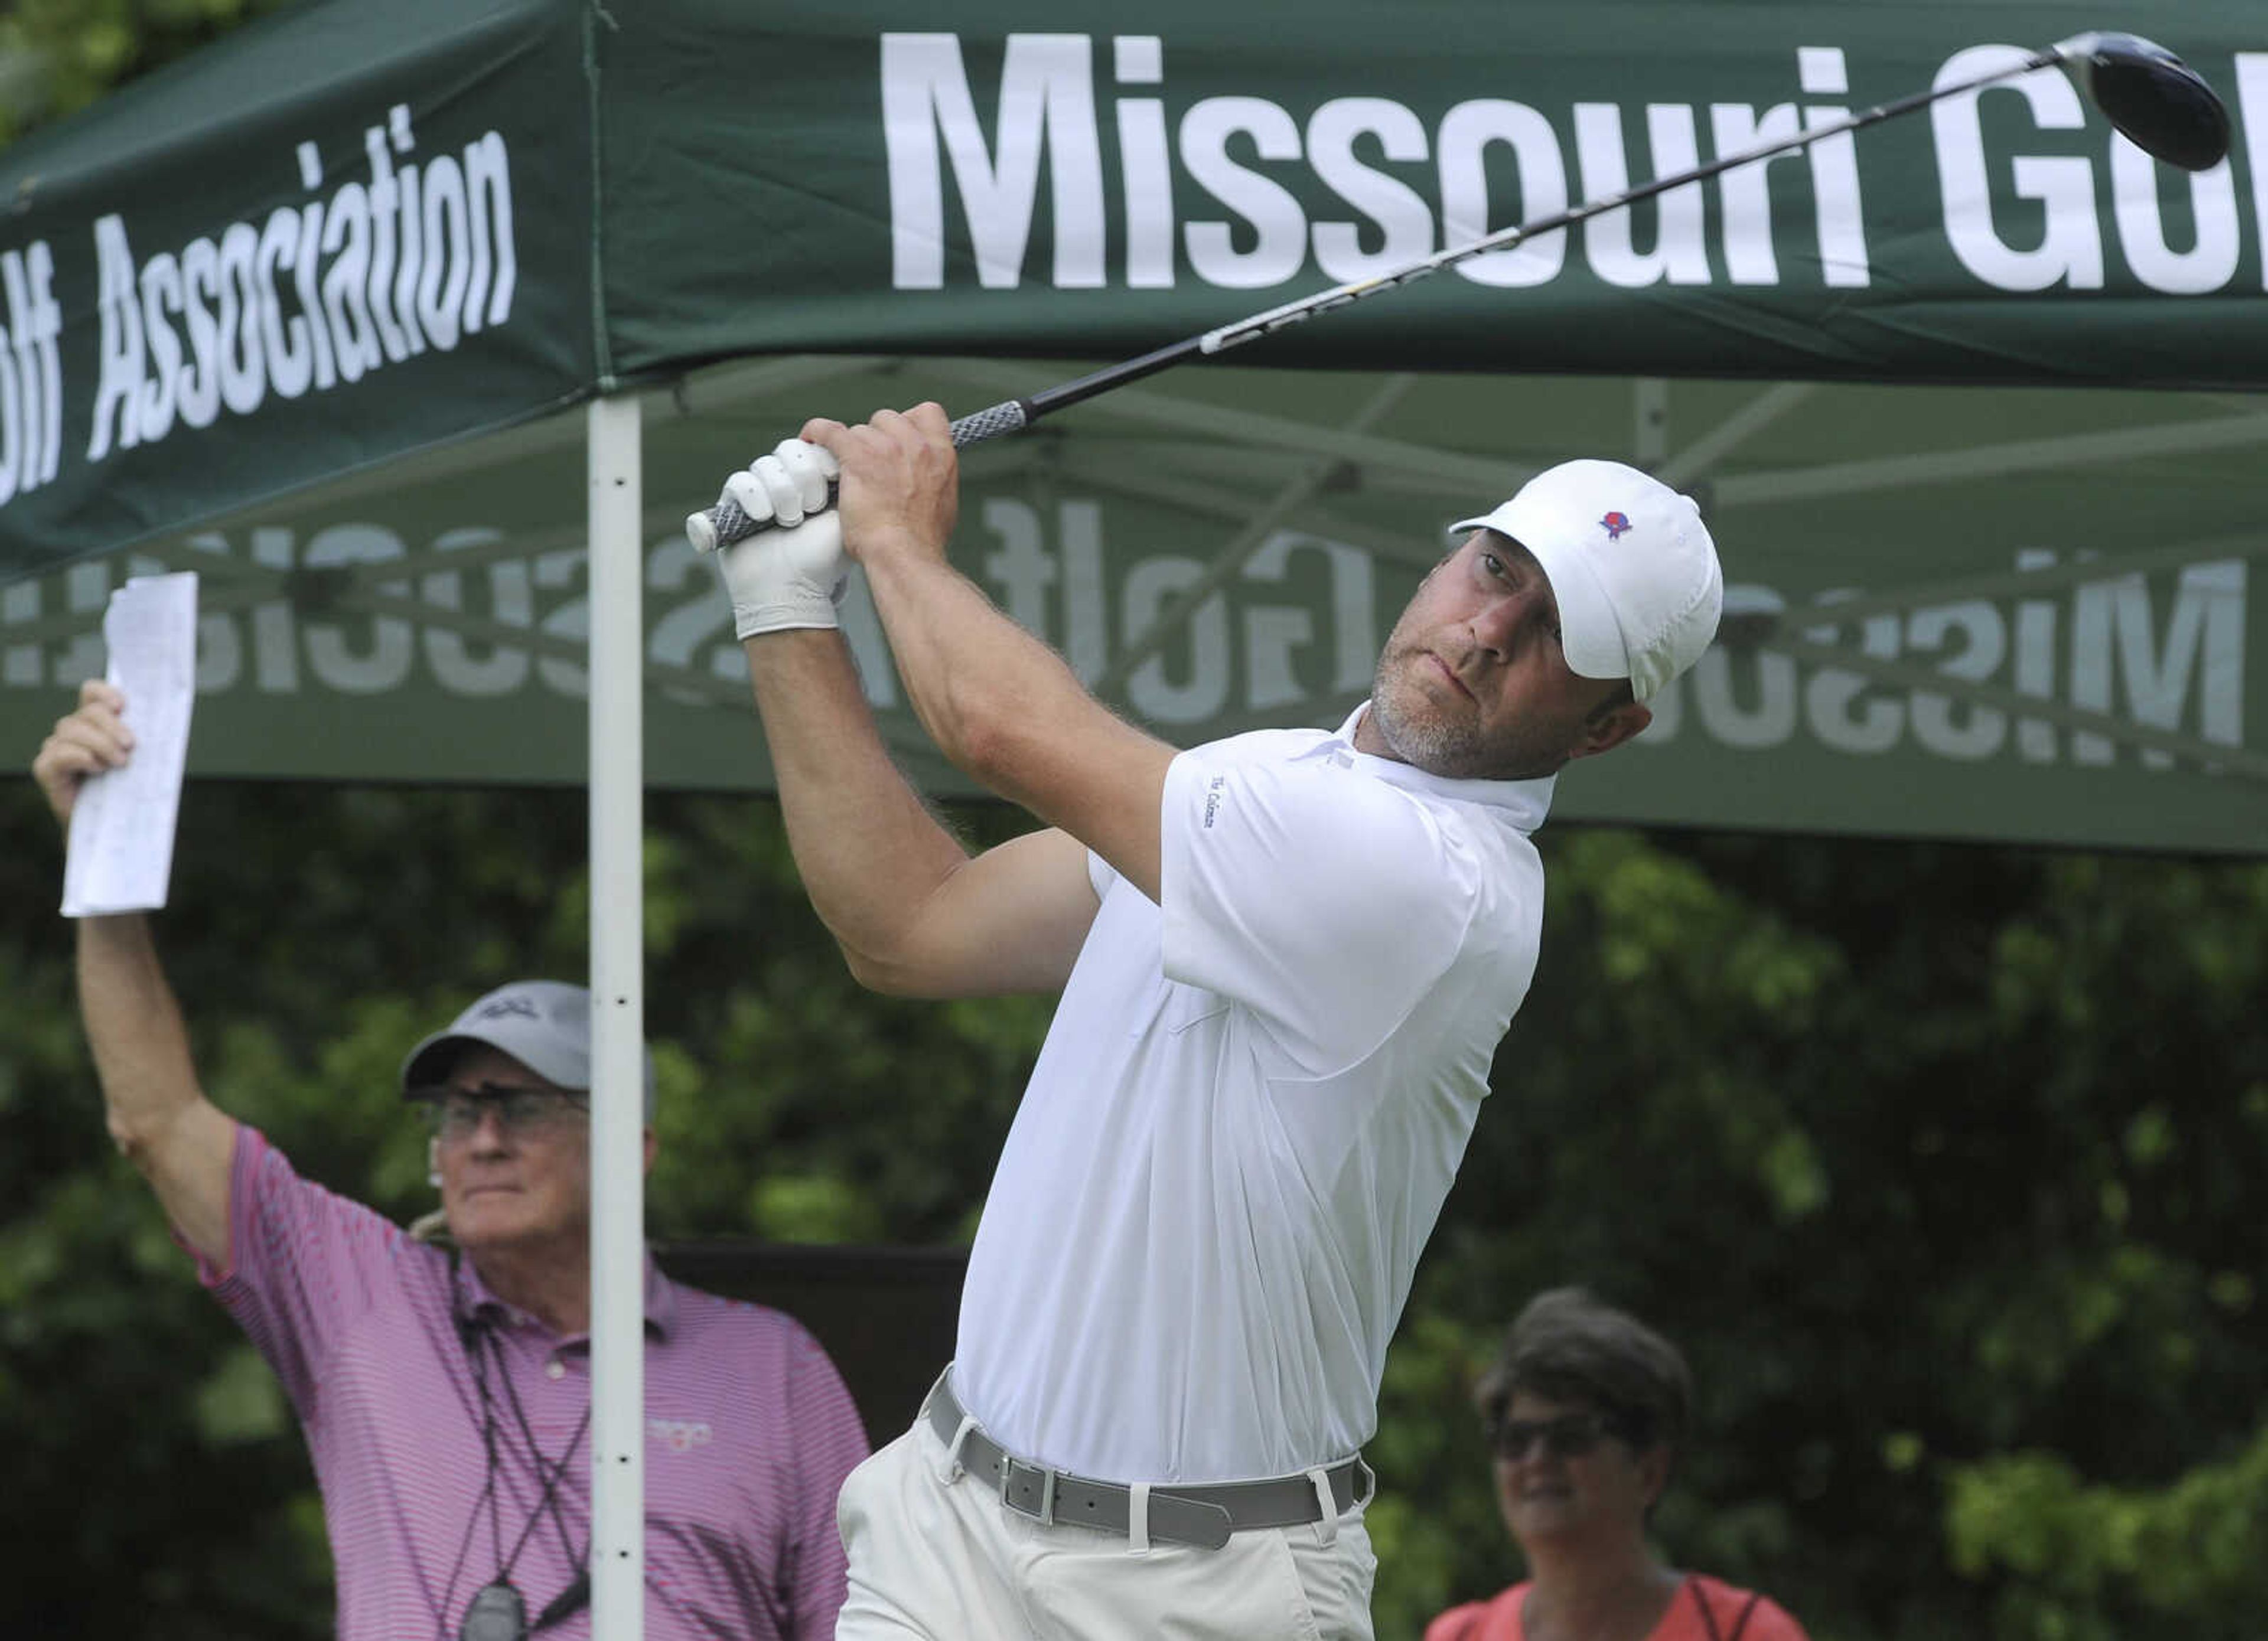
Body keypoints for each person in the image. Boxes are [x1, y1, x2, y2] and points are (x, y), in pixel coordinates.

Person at [706, 403, 1723, 1640]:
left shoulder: (1433, 881)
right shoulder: (1276, 779)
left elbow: (998, 731)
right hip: (947, 1532)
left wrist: (894, 535)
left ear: (1610, 727)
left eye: (1558, 632)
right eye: (1498, 569)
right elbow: (911, 926)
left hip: (1198, 1594)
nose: (1490, 628)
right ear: (1450, 557)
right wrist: (784, 609)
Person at [31, 681, 871, 1641]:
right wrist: (103, 860)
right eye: (457, 1109)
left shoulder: (772, 1366)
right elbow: (157, 1118)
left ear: (632, 1148)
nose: (481, 1137)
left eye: (523, 1104)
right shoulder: (363, 1294)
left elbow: (859, 1620)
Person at [1423, 1289, 1811, 1641]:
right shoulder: (1459, 1635)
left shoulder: (1742, 1631)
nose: (1537, 1458)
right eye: (1516, 1439)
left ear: (1649, 1471)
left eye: (1570, 1436)